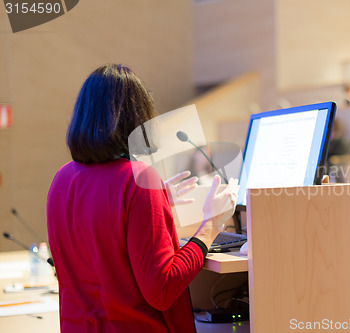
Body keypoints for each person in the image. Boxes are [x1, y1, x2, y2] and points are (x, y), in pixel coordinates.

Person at [46, 64, 238, 332]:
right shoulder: (137, 179)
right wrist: (211, 225)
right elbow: (162, 289)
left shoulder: (62, 179)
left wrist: (154, 202)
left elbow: (101, 229)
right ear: (137, 116)